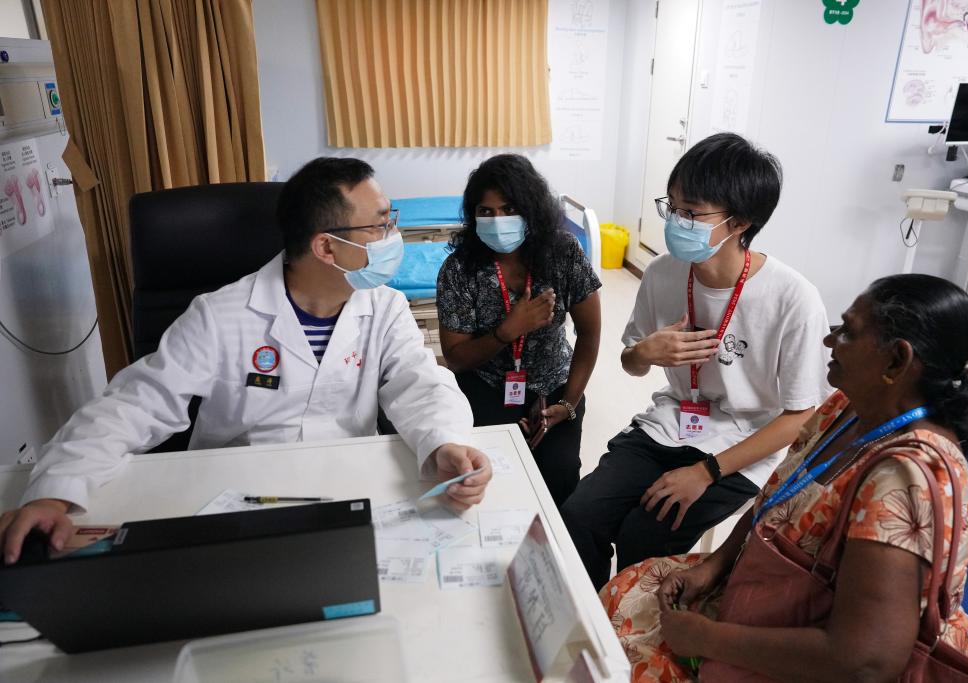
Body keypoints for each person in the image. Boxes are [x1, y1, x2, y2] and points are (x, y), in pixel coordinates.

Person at [0, 157, 492, 564]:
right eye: (380, 224)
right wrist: (53, 492)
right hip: (235, 498)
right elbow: (134, 403)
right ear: (326, 246)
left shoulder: (384, 307)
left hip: (344, 488)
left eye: (390, 220)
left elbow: (421, 383)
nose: (392, 235)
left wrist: (444, 441)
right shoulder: (221, 314)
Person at [601, 274, 968, 682]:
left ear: (896, 360)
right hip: (772, 593)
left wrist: (707, 639)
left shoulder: (905, 482)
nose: (829, 340)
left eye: (848, 332)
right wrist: (713, 567)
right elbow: (777, 501)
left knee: (618, 661)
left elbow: (865, 661)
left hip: (821, 657)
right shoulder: (846, 408)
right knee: (622, 595)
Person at [560, 133, 832, 589]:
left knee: (644, 537)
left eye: (691, 213)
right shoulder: (663, 273)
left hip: (744, 443)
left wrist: (707, 472)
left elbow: (801, 416)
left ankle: (633, 624)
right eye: (672, 207)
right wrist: (643, 353)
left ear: (739, 221)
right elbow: (631, 363)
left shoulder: (792, 298)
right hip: (671, 423)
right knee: (578, 516)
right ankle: (594, 616)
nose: (675, 222)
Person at [437, 154, 601, 506]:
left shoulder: (564, 253)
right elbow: (456, 358)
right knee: (489, 477)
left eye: (509, 209)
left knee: (559, 477)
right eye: (486, 211)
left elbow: (589, 334)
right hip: (485, 384)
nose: (498, 221)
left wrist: (568, 403)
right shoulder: (459, 268)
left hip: (555, 385)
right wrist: (506, 332)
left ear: (531, 209)